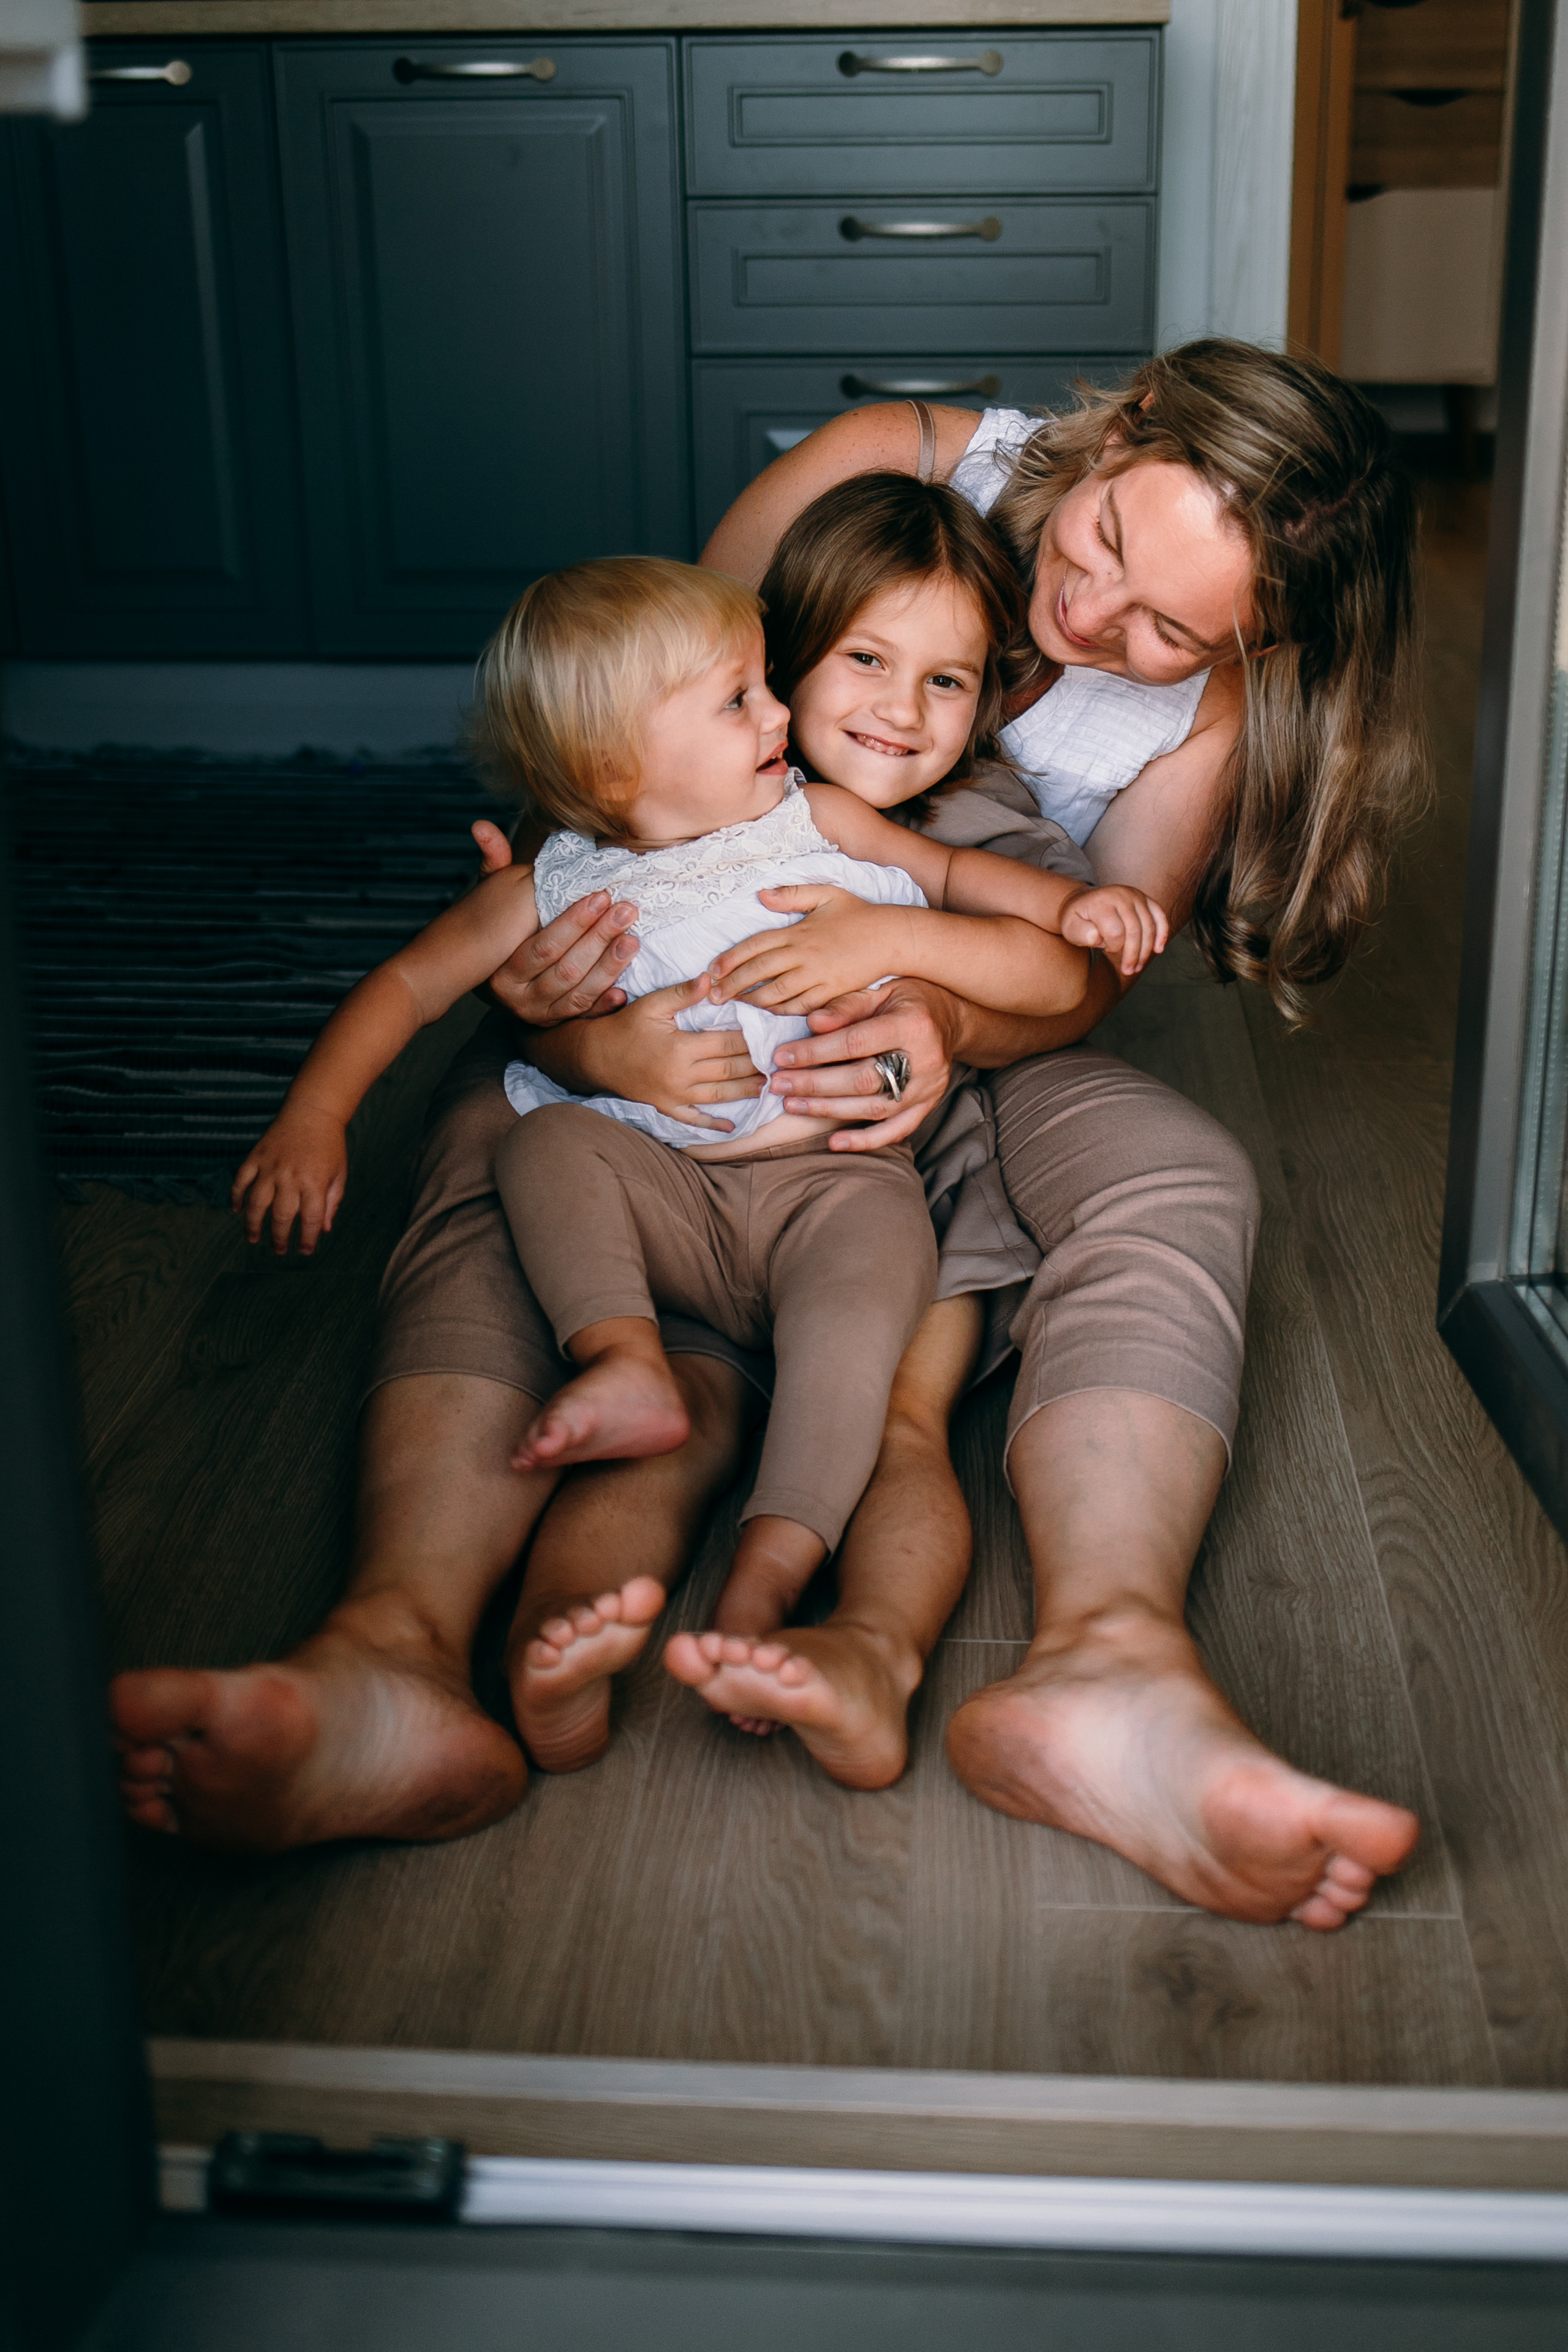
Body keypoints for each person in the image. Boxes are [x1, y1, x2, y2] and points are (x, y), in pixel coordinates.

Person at [113, 340, 1428, 1935]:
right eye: (1098, 549)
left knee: (1183, 1172)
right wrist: (568, 1028)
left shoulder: (1202, 712)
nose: (1091, 622)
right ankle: (391, 1654)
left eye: (1169, 632)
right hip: (666, 1015)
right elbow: (621, 740)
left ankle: (1112, 1666)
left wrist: (934, 1019)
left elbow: (1080, 972)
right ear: (1125, 424)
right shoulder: (883, 466)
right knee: (492, 1147)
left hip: (963, 1040)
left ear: (1257, 641)